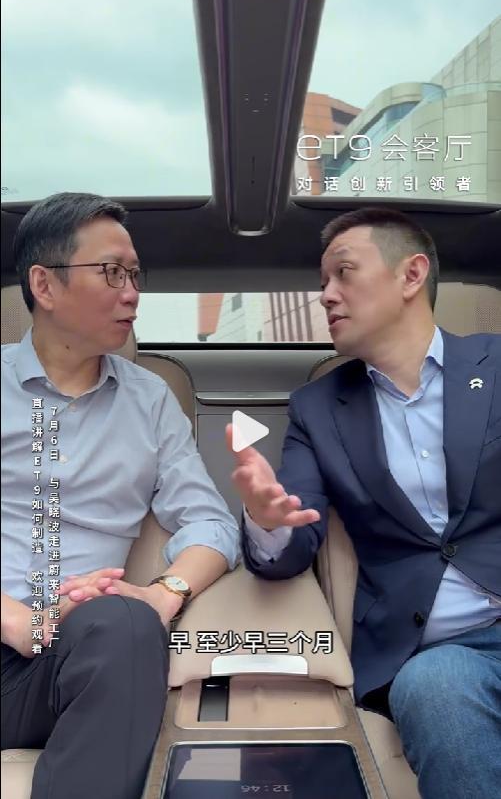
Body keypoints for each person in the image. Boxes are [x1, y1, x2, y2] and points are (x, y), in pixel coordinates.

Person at [227, 207, 501, 799]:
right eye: (323, 280)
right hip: (441, 652)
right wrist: (267, 520)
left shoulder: (496, 364)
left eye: (344, 273)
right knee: (438, 688)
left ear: (411, 275)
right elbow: (291, 544)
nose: (326, 294)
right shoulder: (318, 408)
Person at [1, 191, 240, 799]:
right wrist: (17, 620)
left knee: (128, 623)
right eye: (111, 272)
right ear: (44, 284)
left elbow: (212, 523)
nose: (132, 293)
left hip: (70, 658)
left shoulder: (150, 399)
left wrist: (164, 595)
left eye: (135, 275)